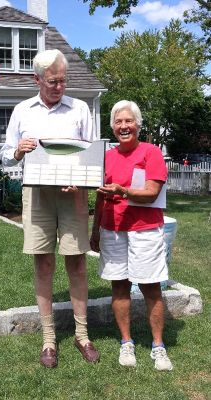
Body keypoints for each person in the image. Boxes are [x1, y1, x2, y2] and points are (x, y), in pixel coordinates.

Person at [1, 49, 100, 368]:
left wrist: (83, 182)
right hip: (38, 196)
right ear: (37, 80)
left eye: (63, 80)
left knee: (77, 264)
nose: (59, 86)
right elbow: (5, 157)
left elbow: (93, 155)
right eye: (53, 81)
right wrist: (17, 150)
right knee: (43, 265)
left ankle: (82, 335)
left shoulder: (80, 108)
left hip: (73, 196)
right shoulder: (22, 110)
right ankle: (48, 340)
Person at [90, 100, 173, 371]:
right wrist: (95, 230)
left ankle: (158, 346)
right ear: (112, 127)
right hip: (112, 231)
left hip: (145, 229)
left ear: (138, 124)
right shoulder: (107, 157)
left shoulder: (151, 152)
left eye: (129, 121)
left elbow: (151, 193)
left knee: (151, 286)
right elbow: (101, 198)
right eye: (118, 122)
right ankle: (127, 342)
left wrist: (122, 191)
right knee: (119, 286)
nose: (123, 126)